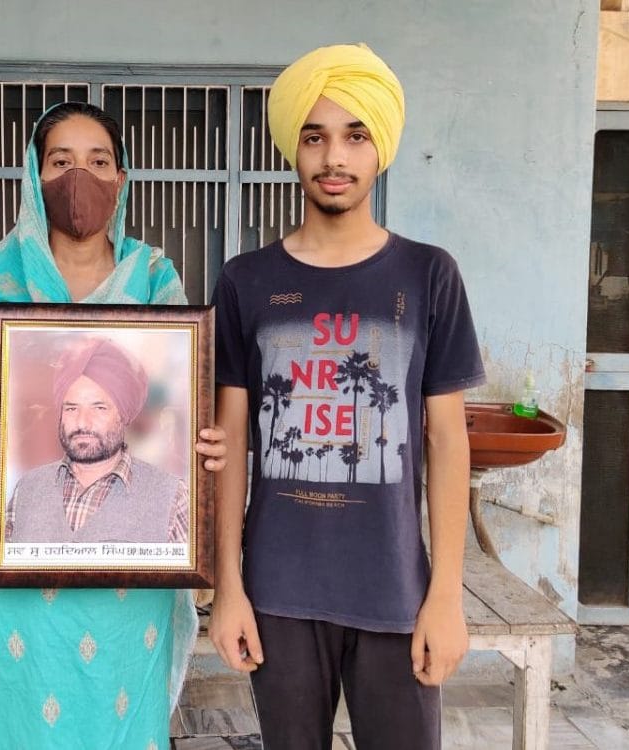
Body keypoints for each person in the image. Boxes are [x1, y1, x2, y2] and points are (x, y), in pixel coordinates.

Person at [0, 101, 225, 749]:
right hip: (13, 566)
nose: (79, 177)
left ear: (122, 178)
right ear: (33, 174)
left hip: (127, 589)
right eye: (60, 161)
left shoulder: (153, 277)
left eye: (98, 161)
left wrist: (202, 437)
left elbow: (180, 403)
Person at [208, 44, 486, 750]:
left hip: (395, 593)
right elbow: (230, 443)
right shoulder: (247, 281)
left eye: (355, 134)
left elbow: (448, 440)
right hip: (278, 596)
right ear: (293, 151)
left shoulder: (429, 275)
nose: (335, 156)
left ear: (380, 148)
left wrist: (446, 597)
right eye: (315, 136)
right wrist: (229, 591)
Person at [6, 336, 189, 544]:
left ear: (124, 413)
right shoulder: (27, 490)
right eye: (71, 408)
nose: (83, 422)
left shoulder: (173, 498)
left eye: (99, 408)